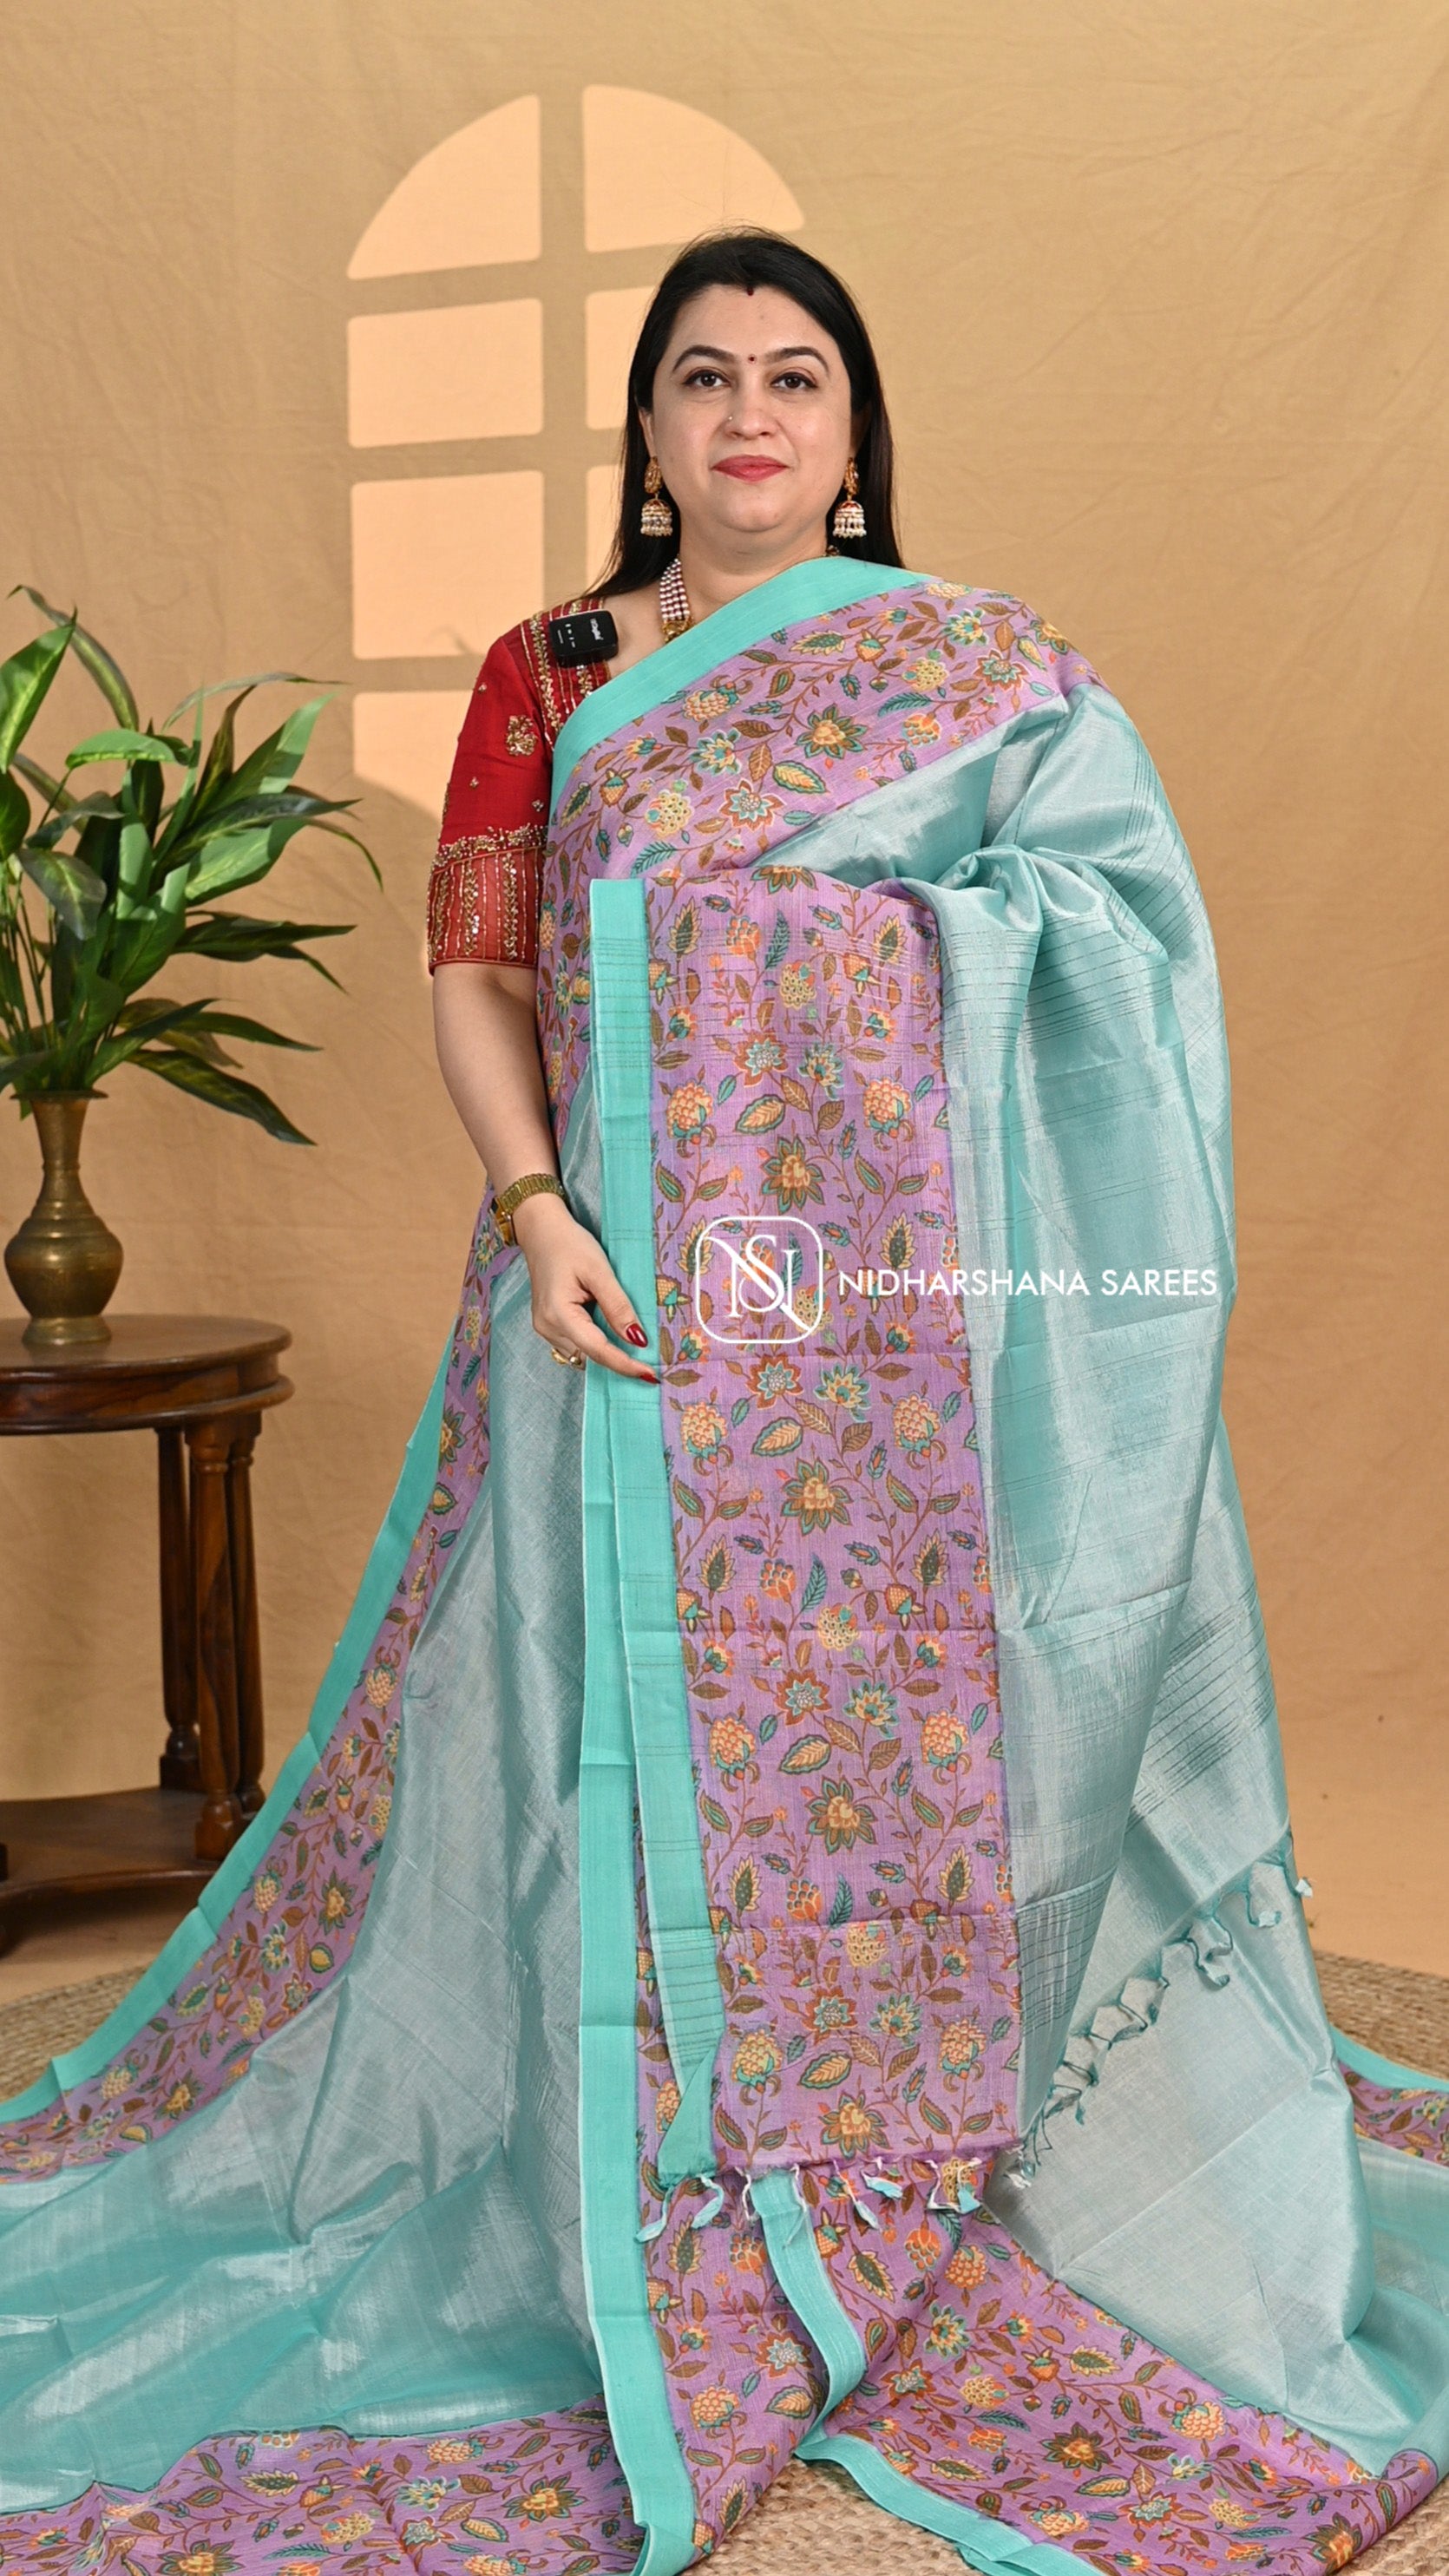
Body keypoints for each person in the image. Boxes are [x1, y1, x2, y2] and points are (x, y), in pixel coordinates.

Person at [0, 226, 1445, 2575]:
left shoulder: (972, 672)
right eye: (702, 377)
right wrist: (536, 1200)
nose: (749, 413)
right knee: (588, 1737)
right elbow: (478, 970)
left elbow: (1115, 945)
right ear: (649, 434)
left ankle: (890, 2140)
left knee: (889, 1724)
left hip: (891, 1349)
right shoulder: (550, 673)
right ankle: (620, 2155)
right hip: (610, 1302)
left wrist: (830, 964)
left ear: (853, 435)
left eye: (794, 376)